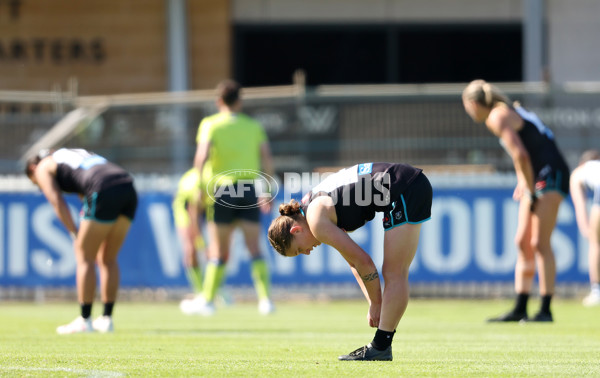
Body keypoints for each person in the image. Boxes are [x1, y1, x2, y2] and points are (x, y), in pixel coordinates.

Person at [268, 162, 432, 361]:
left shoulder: (316, 220)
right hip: (406, 185)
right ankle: (380, 346)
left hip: (405, 187)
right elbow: (354, 263)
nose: (307, 252)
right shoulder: (311, 208)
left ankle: (380, 347)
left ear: (296, 230)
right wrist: (373, 302)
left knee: (394, 272)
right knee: (394, 272)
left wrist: (377, 304)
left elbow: (365, 263)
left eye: (299, 249)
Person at [462, 79, 570, 322]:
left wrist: (528, 187)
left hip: (551, 174)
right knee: (523, 241)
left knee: (540, 243)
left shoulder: (497, 117)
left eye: (467, 107)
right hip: (537, 175)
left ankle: (545, 310)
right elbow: (525, 153)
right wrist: (524, 183)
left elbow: (520, 154)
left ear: (472, 103)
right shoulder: (507, 110)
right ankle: (520, 307)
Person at [186, 79, 275, 316]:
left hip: (223, 189)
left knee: (218, 250)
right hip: (247, 188)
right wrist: (267, 189)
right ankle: (266, 301)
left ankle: (207, 301)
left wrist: (197, 185)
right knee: (255, 247)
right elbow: (266, 158)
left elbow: (201, 156)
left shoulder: (211, 124)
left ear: (219, 101)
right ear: (240, 101)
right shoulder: (253, 126)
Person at [25, 148, 137, 334]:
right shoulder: (71, 154)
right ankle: (106, 319)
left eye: (35, 183)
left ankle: (85, 320)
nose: (39, 185)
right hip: (127, 186)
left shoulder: (42, 167)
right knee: (107, 257)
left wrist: (74, 233)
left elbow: (56, 201)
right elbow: (84, 186)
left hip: (102, 187)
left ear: (32, 167)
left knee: (84, 255)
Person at [172, 167, 207, 304]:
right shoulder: (196, 183)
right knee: (191, 250)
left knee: (218, 250)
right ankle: (201, 293)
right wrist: (201, 242)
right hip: (186, 211)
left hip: (207, 210)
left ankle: (214, 289)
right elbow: (194, 215)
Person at [569, 149, 600, 306]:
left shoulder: (578, 173)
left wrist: (588, 230)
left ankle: (597, 291)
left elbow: (580, 207)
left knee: (596, 244)